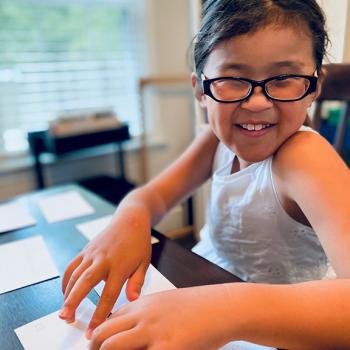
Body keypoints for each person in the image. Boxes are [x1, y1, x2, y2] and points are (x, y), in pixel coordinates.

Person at [60, 0, 350, 348]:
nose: (257, 102)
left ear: (315, 86)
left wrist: (228, 309)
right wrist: (130, 217)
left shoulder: (305, 156)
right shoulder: (215, 140)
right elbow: (154, 195)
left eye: (285, 78)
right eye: (231, 78)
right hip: (201, 285)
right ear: (200, 89)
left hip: (276, 326)